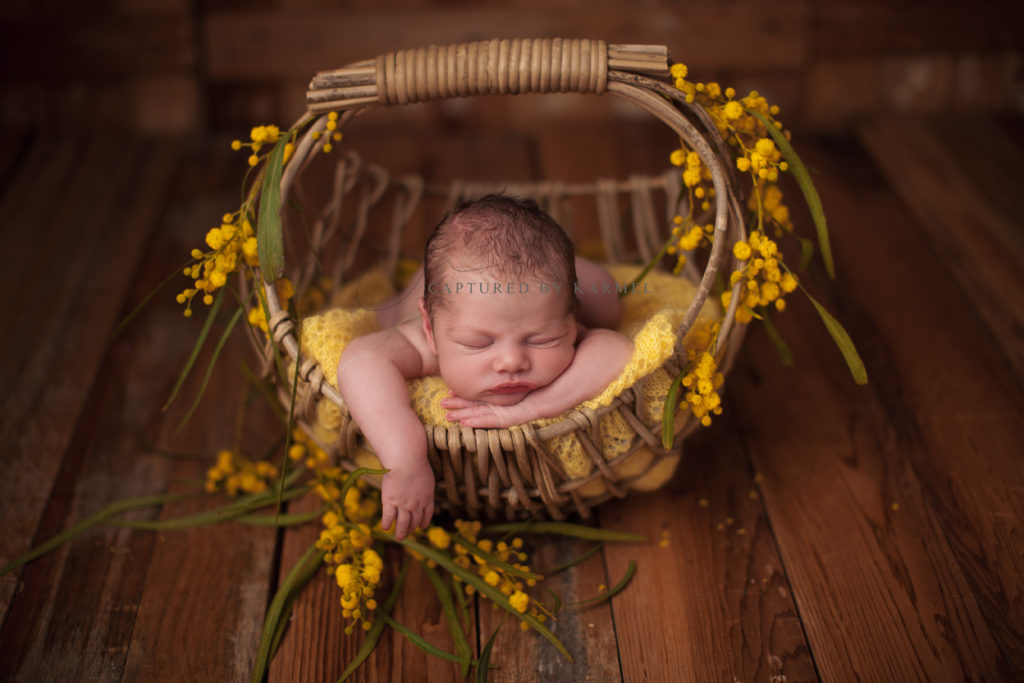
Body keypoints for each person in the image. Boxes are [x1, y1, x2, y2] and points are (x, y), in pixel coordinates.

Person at [336, 194, 634, 539]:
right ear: (431, 331)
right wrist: (405, 460)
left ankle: (559, 266)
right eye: (478, 344)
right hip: (426, 288)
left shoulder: (558, 317)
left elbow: (618, 350)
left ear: (571, 319)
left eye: (540, 340)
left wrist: (530, 408)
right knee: (387, 313)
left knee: (609, 304)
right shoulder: (425, 340)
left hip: (547, 286)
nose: (511, 362)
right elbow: (361, 359)